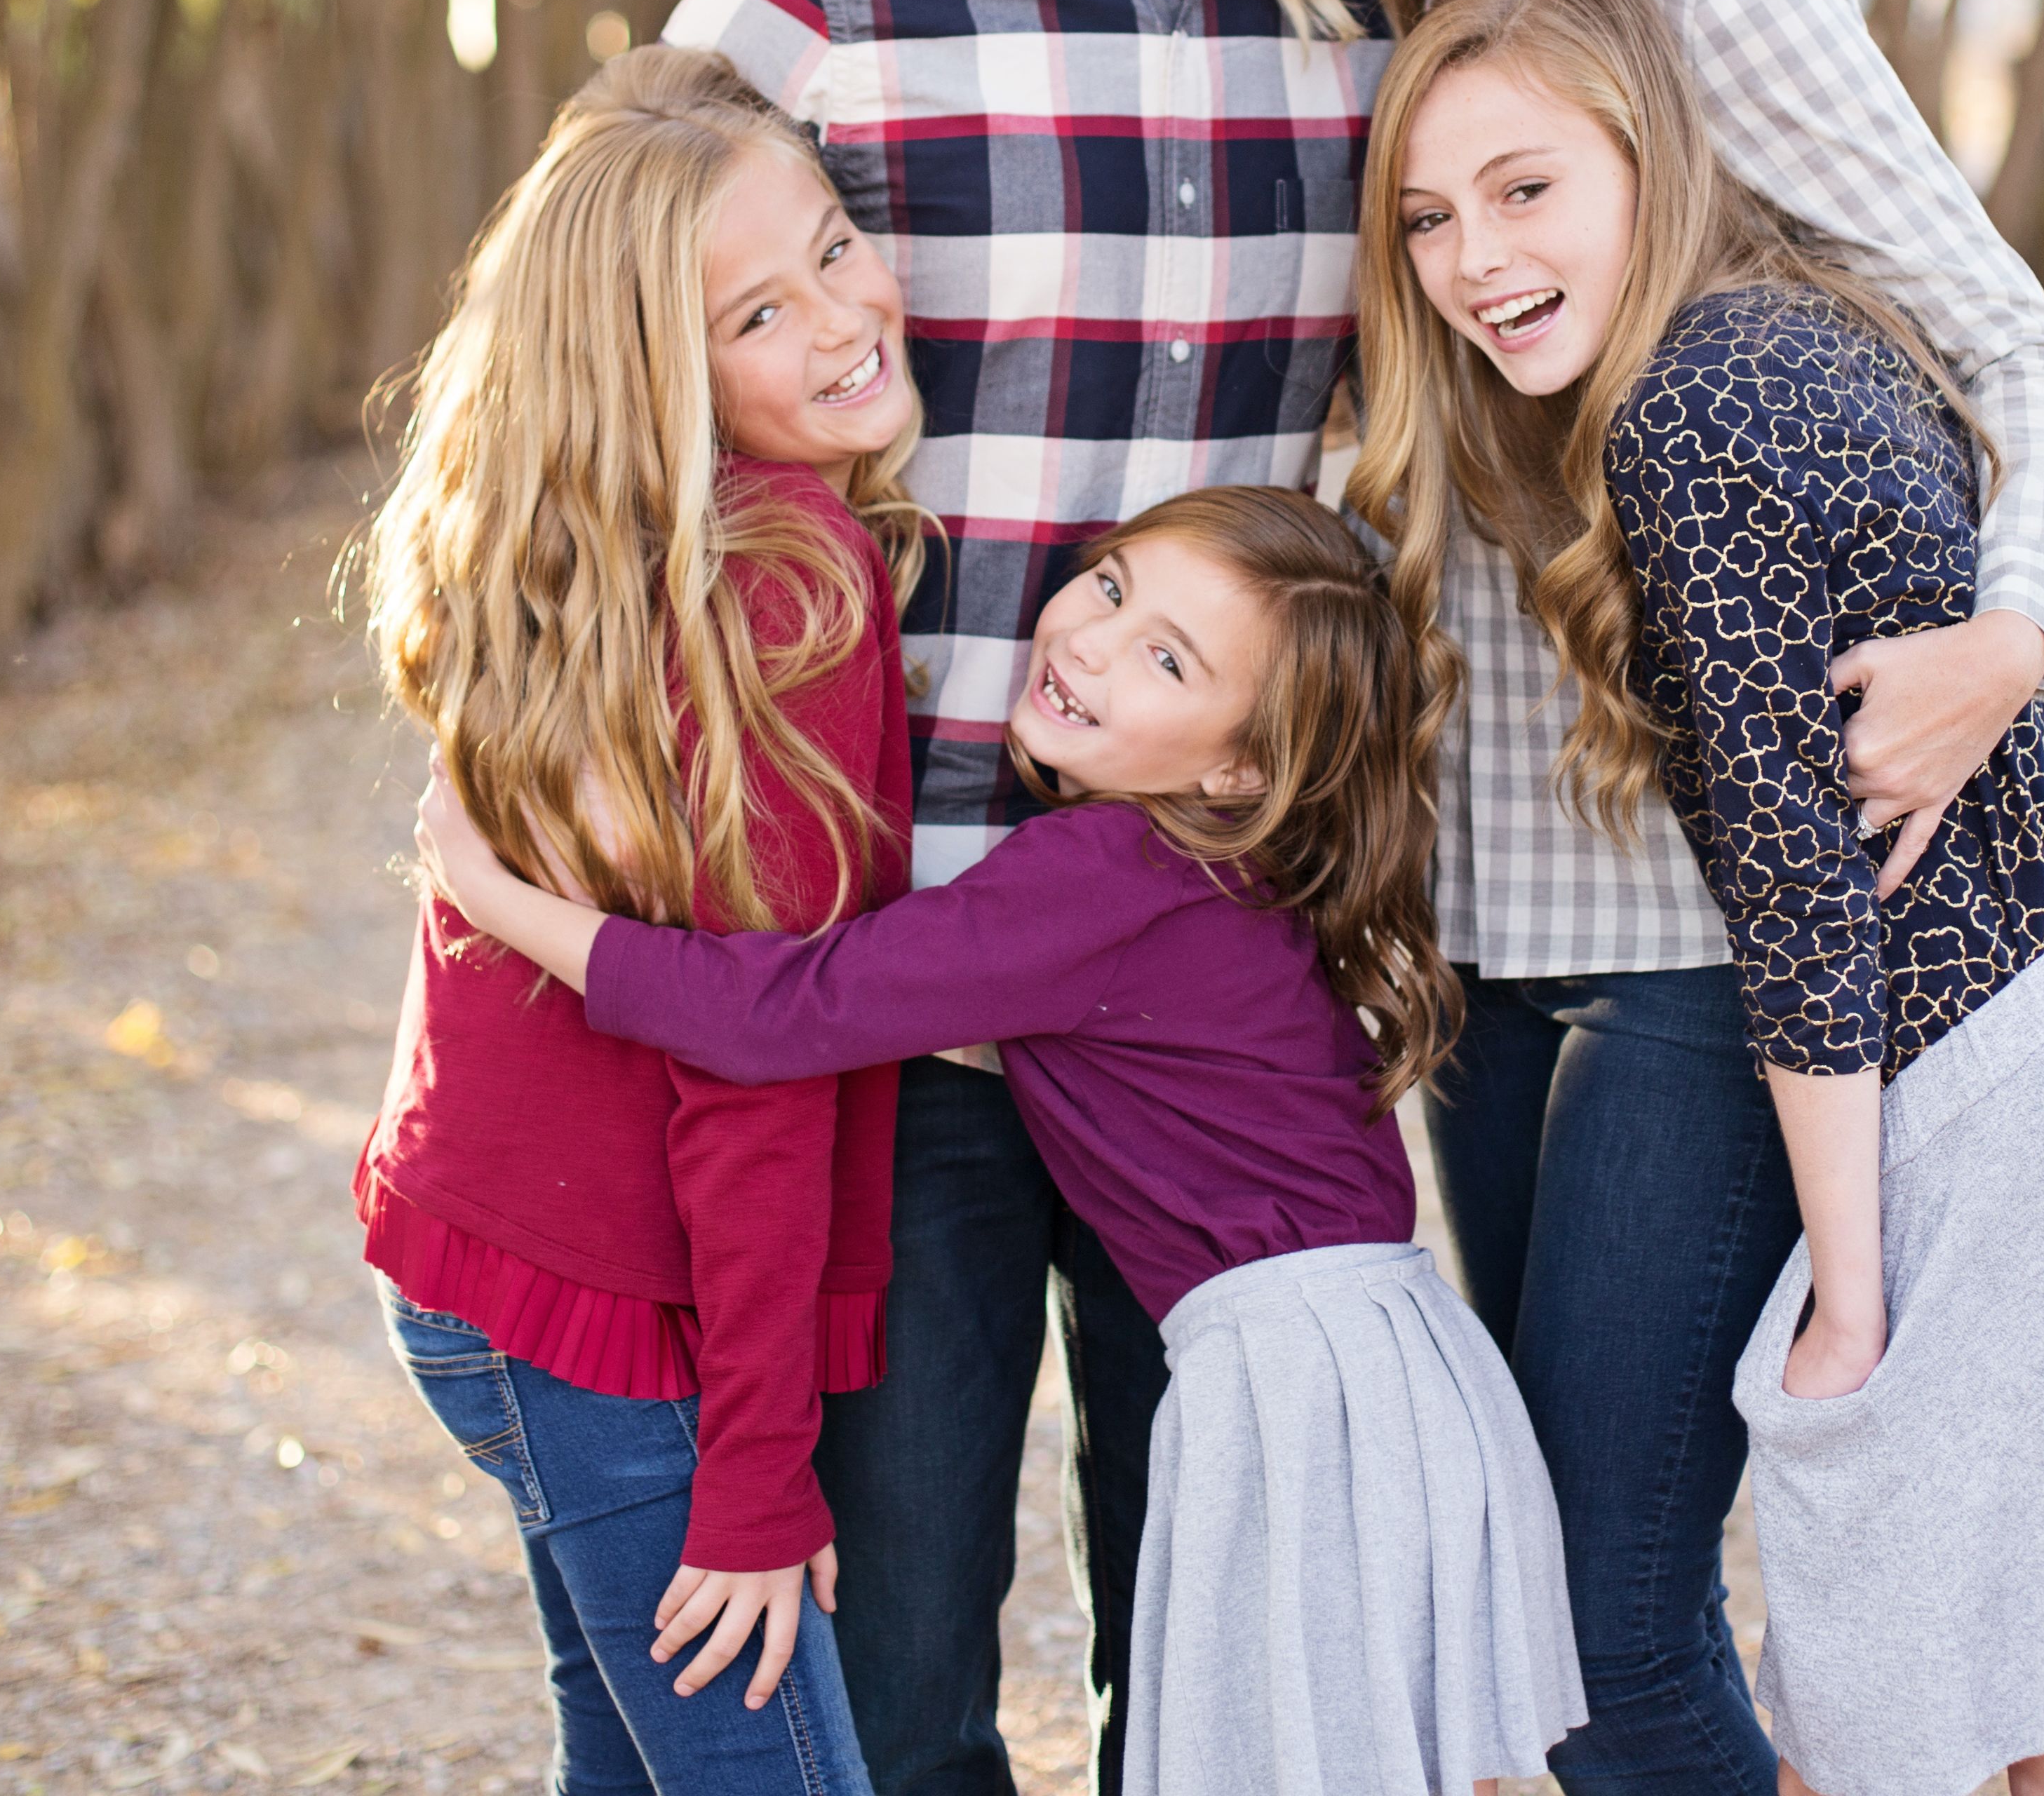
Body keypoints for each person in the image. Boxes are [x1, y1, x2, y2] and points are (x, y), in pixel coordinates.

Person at [1267, 0, 2044, 1792]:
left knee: (1596, 1616)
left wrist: (2018, 628)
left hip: (1696, 922)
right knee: (1566, 1566)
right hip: (1482, 930)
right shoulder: (1355, 9)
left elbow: (2025, 346)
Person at [1353, 0, 2044, 1796]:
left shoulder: (1689, 424)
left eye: (1526, 187)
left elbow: (1804, 913)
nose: (1476, 258)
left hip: (1996, 1119)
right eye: (1428, 216)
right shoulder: (1796, 321)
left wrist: (1853, 1302)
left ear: (1652, 157)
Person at [660, 0, 1378, 1796]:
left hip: (1219, 1010)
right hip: (898, 994)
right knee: (889, 1668)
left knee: (1229, 1655)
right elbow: (582, 394)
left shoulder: (1386, 22)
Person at [416, 486, 1585, 1796]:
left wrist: (497, 899)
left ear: (1239, 767)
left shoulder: (1101, 876)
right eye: (1112, 584)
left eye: (1167, 658)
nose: (1091, 639)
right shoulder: (1216, 870)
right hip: (1385, 1360)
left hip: (1302, 1380)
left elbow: (780, 1012)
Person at [352, 48, 924, 1796]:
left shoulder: (613, 560)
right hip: (616, 1322)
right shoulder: (785, 592)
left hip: (490, 1276)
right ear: (659, 375)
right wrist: (758, 1470)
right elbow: (755, 1061)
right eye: (759, 314)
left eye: (833, 246)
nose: (841, 317)